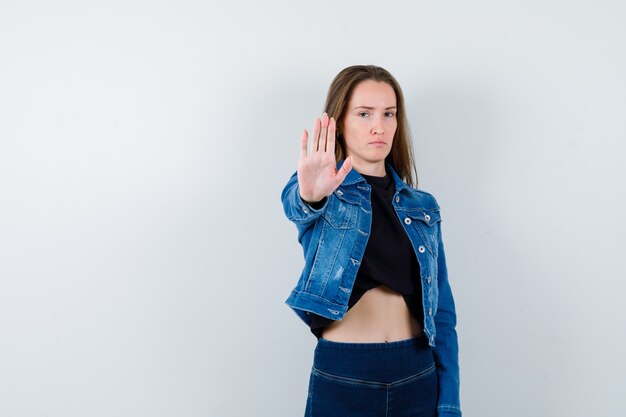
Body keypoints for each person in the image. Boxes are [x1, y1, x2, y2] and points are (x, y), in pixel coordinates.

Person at [281, 65, 461, 417]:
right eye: (364, 113)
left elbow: (442, 313)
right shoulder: (324, 189)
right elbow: (297, 205)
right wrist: (311, 196)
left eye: (389, 114)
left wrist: (449, 401)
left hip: (417, 374)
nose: (379, 126)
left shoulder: (422, 206)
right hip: (345, 374)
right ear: (339, 121)